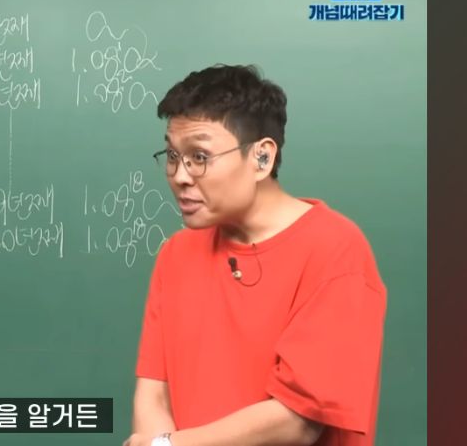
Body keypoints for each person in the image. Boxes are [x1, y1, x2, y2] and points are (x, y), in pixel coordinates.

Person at [124, 65, 387, 446]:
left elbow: (297, 422)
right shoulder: (176, 254)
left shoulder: (335, 250)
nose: (180, 175)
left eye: (199, 156)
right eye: (172, 156)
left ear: (262, 158)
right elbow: (153, 394)